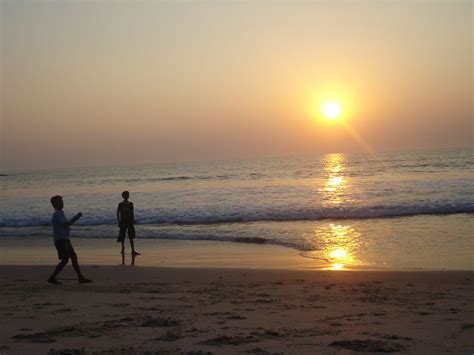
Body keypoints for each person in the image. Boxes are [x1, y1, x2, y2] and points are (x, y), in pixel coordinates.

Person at [48, 195, 92, 284]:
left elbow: (64, 225)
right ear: (55, 204)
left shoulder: (60, 213)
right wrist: (76, 218)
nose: (62, 203)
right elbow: (65, 224)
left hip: (64, 239)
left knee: (73, 257)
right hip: (61, 240)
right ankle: (52, 277)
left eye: (62, 201)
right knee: (65, 259)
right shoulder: (57, 214)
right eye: (60, 201)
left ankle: (80, 277)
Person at [117, 191, 140, 256]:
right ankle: (122, 248)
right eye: (125, 195)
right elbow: (118, 213)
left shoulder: (131, 204)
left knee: (131, 236)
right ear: (123, 196)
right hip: (123, 221)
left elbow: (132, 213)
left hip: (129, 221)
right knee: (122, 235)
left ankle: (133, 250)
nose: (127, 196)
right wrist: (118, 221)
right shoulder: (120, 204)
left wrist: (133, 220)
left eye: (127, 195)